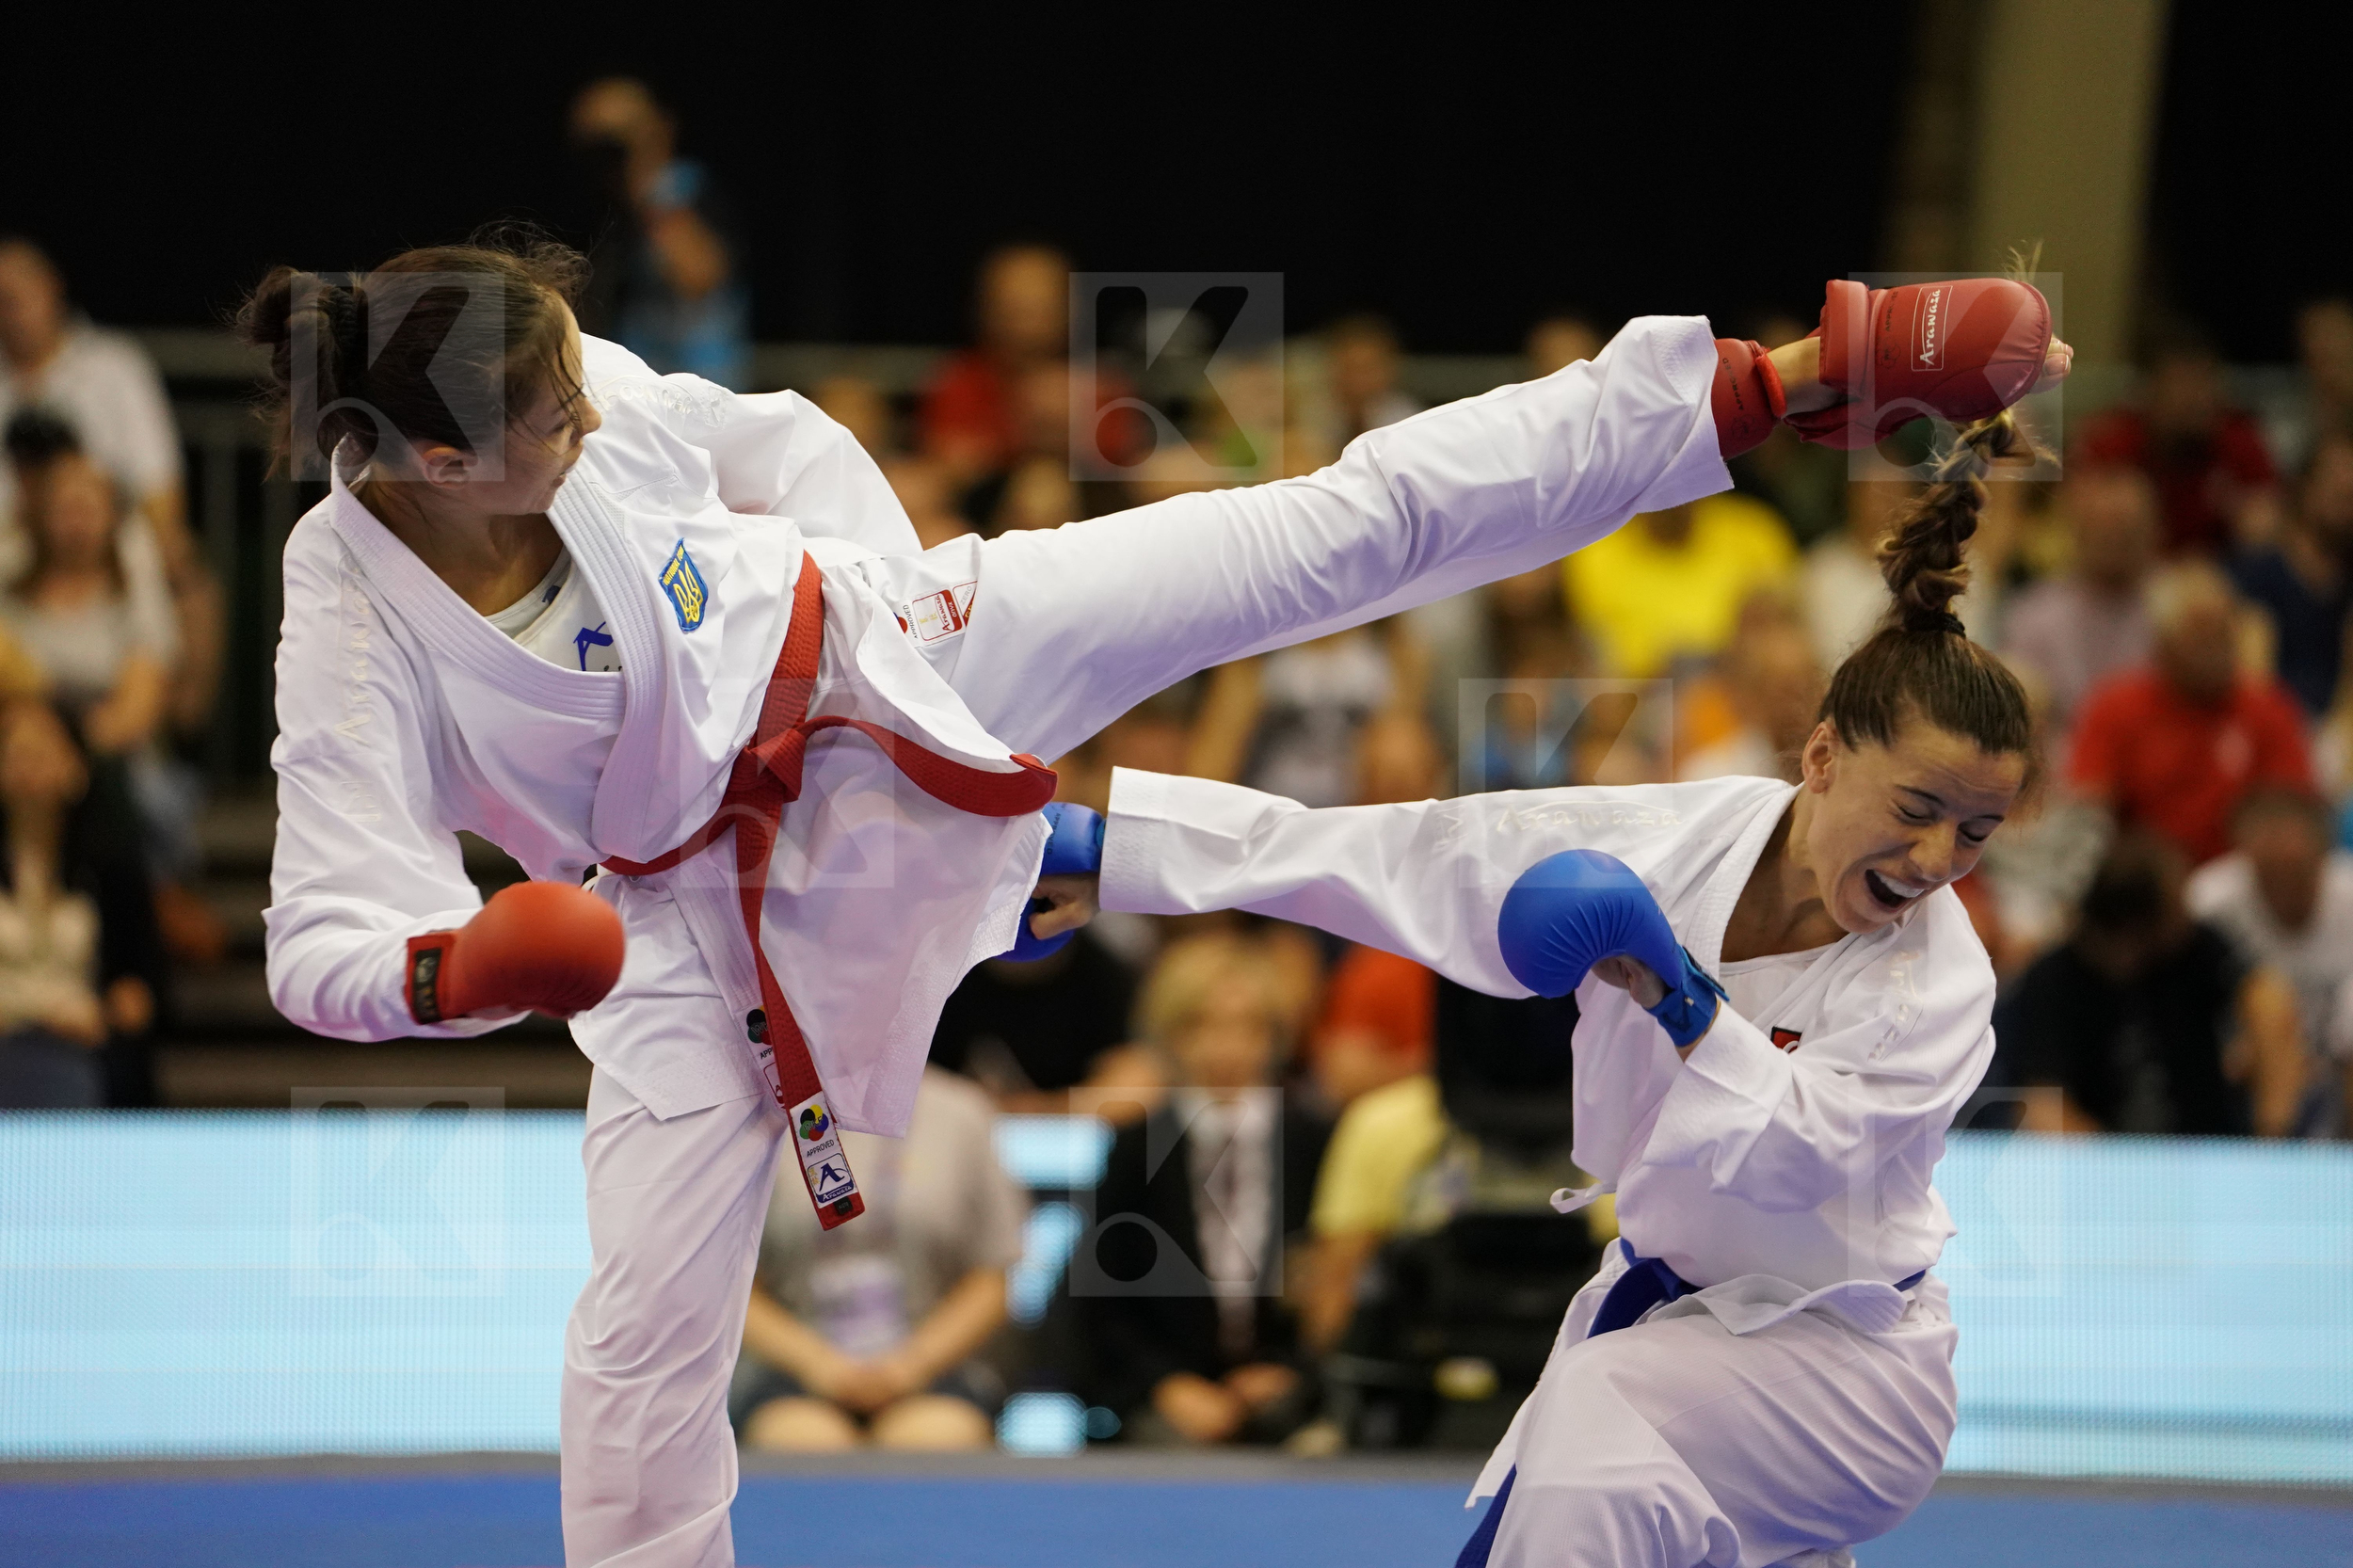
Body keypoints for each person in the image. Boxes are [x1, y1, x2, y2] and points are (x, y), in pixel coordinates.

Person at [242, 238, 2058, 1567]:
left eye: (576, 375)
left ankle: (1778, 381)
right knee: (639, 1360)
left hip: (882, 650)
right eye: (551, 415)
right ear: (435, 462)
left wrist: (905, 639)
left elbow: (767, 439)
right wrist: (464, 965)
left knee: (1328, 527)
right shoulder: (349, 620)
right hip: (689, 914)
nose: (591, 407)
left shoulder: (567, 383)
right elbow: (324, 945)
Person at [1064, 388, 2062, 1560]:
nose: (1938, 859)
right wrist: (1123, 854)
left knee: (1594, 1425)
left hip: (1850, 1370)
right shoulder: (1672, 842)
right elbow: (1410, 854)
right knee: (1575, 1481)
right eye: (1917, 807)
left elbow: (1809, 1156)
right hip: (1690, 1334)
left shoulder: (1939, 981)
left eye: (1975, 832)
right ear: (1822, 755)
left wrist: (1682, 999)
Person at [1080, 931, 1331, 1446]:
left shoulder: (1316, 1143)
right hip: (1165, 1403)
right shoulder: (1135, 1149)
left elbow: (1343, 1284)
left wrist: (1293, 1372)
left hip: (1296, 1399)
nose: (1226, 1048)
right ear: (1169, 1035)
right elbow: (1102, 1300)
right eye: (1202, 1025)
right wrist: (1164, 1385)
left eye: (1247, 1026)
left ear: (1276, 1034)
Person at [732, 1064, 1026, 1450]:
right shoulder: (759, 1113)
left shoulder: (962, 1113)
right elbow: (732, 1285)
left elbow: (992, 1279)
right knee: (803, 1441)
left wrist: (910, 1366)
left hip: (934, 1367)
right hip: (791, 1368)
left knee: (936, 1439)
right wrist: (818, 1364)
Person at [0, 240, 221, 738]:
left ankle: (170, 744)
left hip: (109, 539)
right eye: (0, 301)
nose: (10, 312)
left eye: (18, 297)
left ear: (52, 290)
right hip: (11, 546)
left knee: (182, 574)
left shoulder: (113, 366)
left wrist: (149, 545)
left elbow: (160, 489)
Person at [1994, 831, 2306, 1138]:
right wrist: (2114, 1164)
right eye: (2179, 904)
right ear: (2138, 924)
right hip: (2101, 1156)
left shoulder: (2194, 949)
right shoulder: (2053, 979)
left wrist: (2272, 1132)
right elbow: (2043, 1105)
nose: (2189, 913)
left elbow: (2268, 1003)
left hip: (2207, 1150)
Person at [2068, 563, 2315, 865]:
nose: (2215, 650)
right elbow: (2088, 809)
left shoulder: (2268, 709)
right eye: (2199, 637)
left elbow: (2293, 810)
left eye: (2222, 634)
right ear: (2163, 644)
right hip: (2142, 872)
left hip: (2239, 872)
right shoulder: (2115, 707)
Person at [2185, 786, 2353, 1133]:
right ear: (2244, 857)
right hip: (2243, 1071)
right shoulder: (2208, 904)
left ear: (2323, 855)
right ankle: (2267, 1151)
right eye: (2269, 870)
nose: (2284, 883)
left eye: (2296, 869)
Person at [568, 79, 749, 389]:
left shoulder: (686, 188)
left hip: (698, 384)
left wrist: (646, 178)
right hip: (628, 381)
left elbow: (698, 276)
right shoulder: (603, 207)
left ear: (662, 128)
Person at [2079, 330, 2281, 555]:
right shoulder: (2116, 439)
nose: (2194, 399)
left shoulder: (2238, 439)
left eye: (2203, 383)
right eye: (2181, 384)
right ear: (2152, 390)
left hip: (2216, 569)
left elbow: (2268, 517)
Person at [1565, 490, 1796, 679]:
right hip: (1649, 701)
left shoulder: (1753, 531)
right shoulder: (1592, 554)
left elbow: (1787, 635)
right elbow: (1596, 662)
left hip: (1743, 684)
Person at [1998, 464, 2159, 728]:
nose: (2115, 542)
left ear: (2152, 533)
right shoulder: (2033, 616)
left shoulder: (2176, 613)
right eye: (2104, 529)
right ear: (2079, 531)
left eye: (2126, 530)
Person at [2227, 433, 2353, 718]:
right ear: (2305, 489)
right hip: (2272, 724)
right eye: (2336, 486)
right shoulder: (2256, 577)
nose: (2347, 499)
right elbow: (2250, 684)